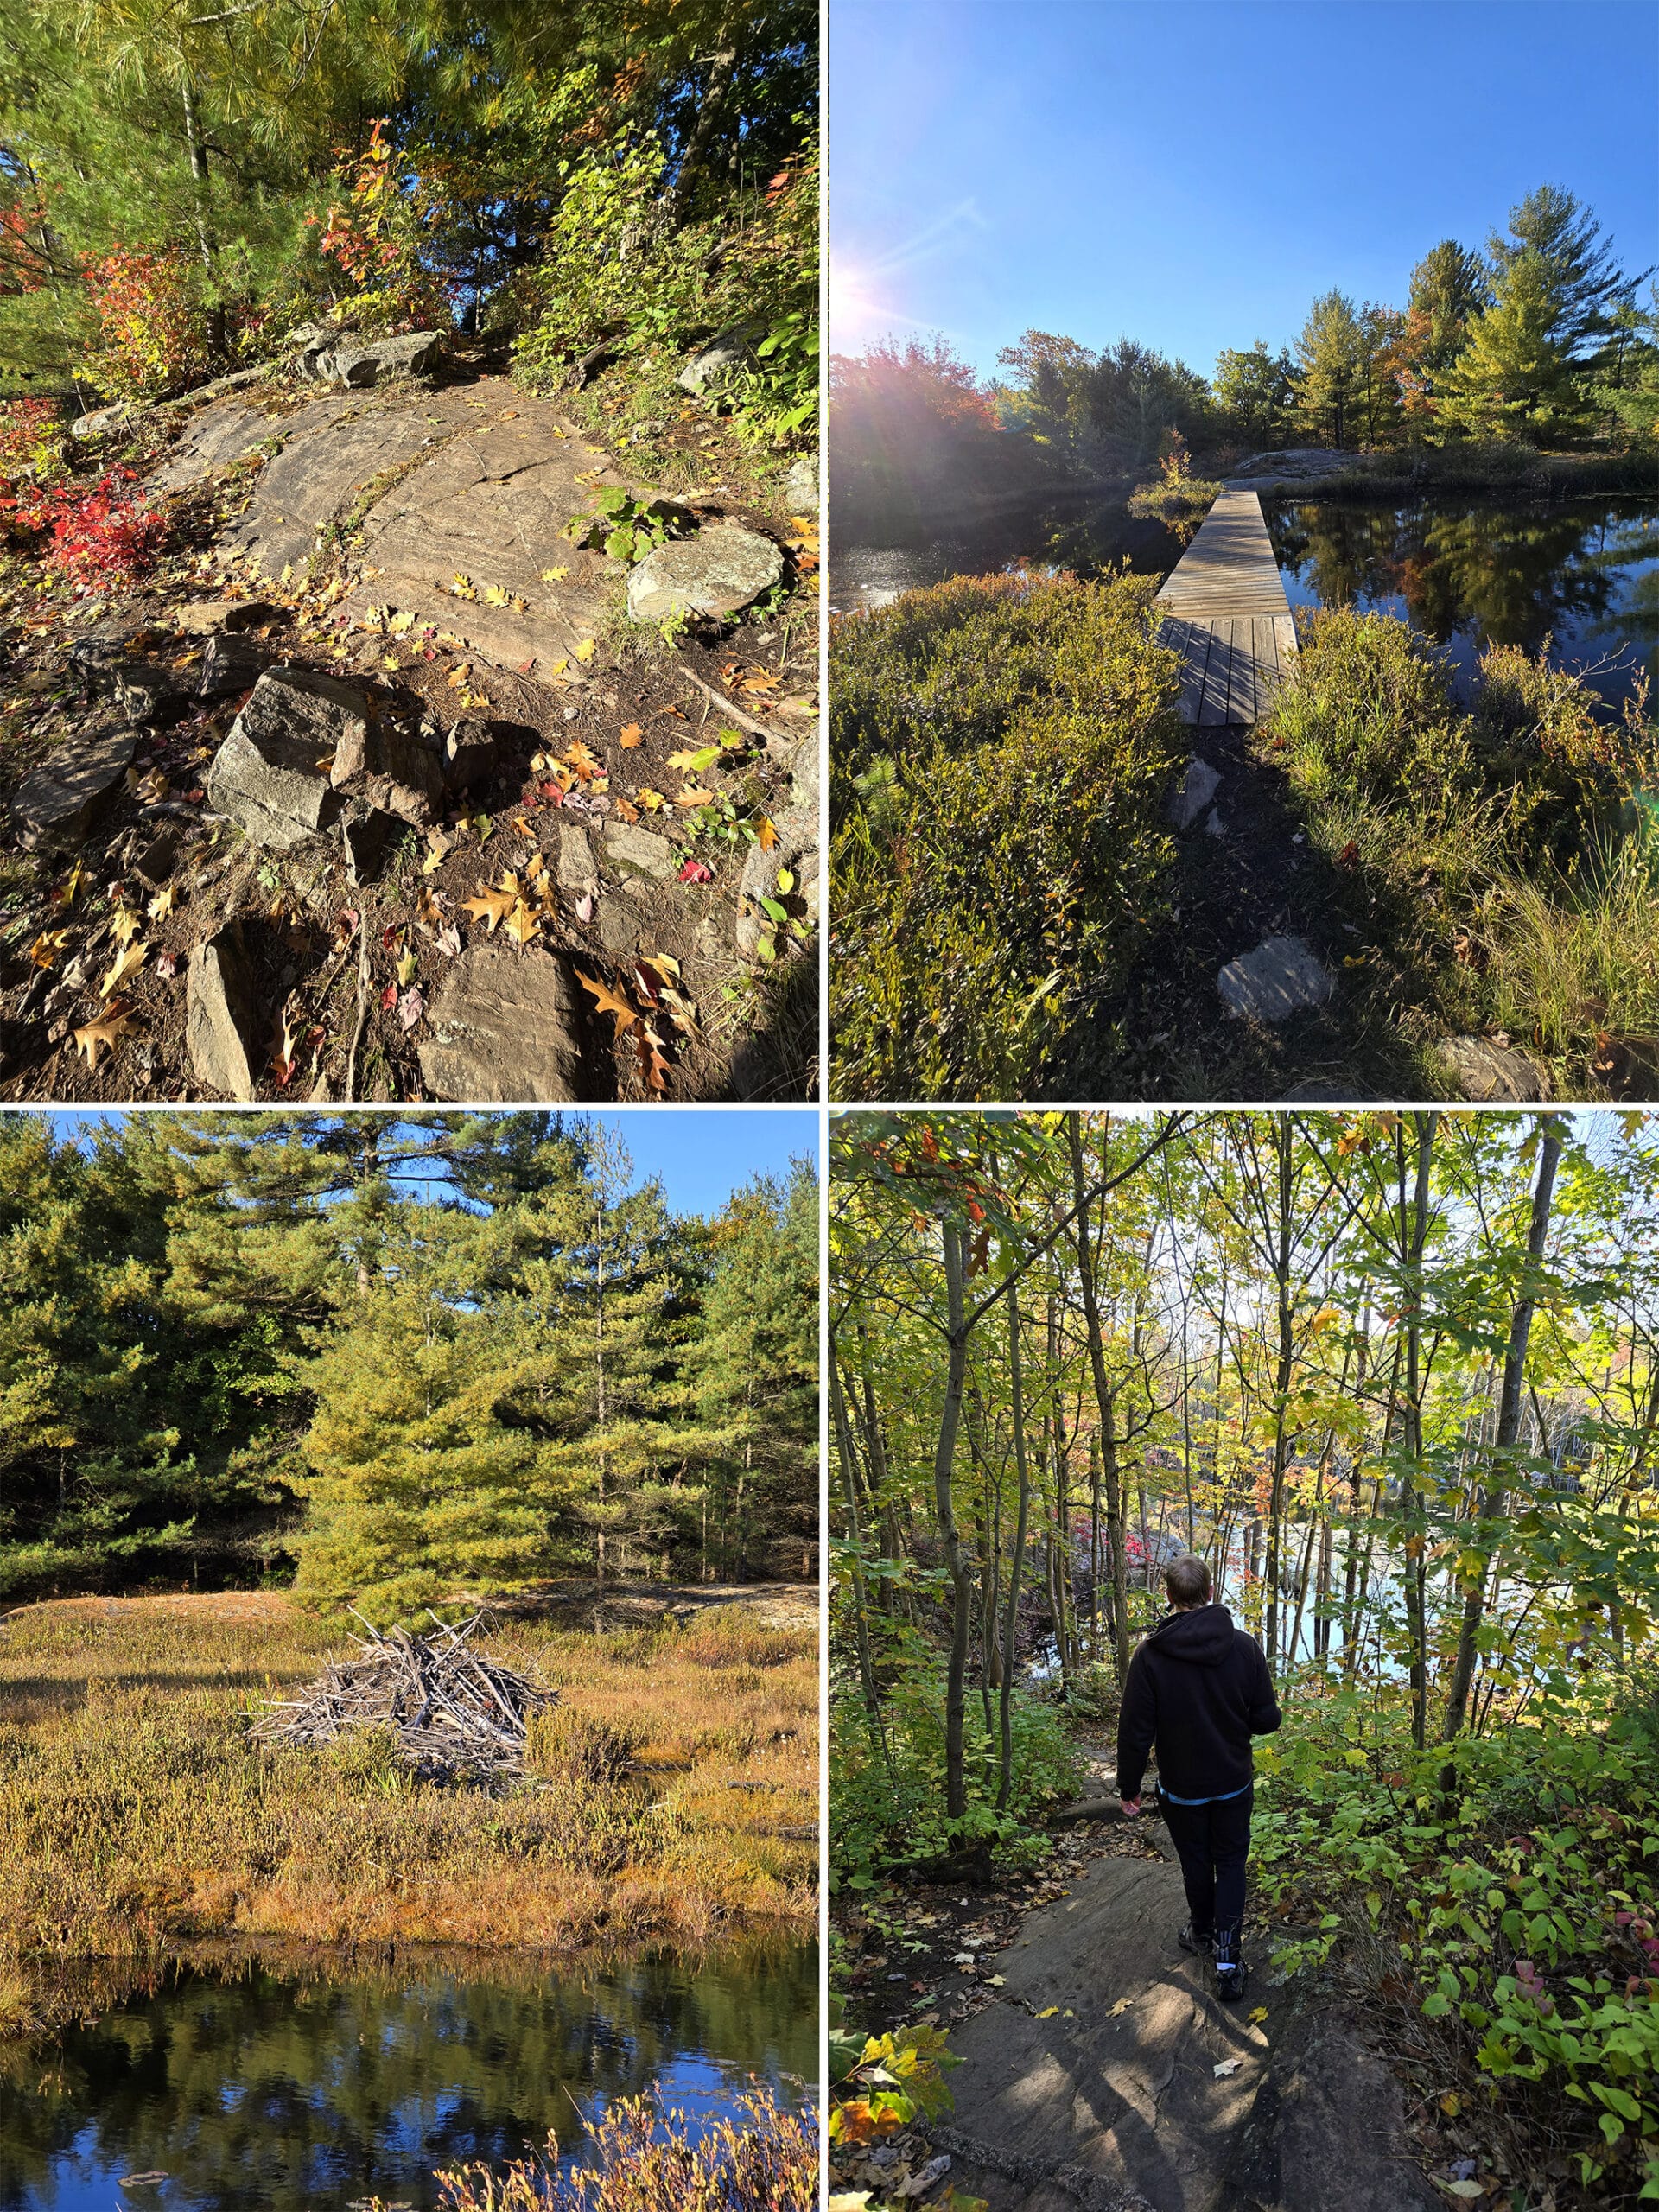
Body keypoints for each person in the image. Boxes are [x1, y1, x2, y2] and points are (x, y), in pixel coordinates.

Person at [1115, 1551, 1281, 2001]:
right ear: (1210, 1593)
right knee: (1230, 1862)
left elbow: (1135, 1733)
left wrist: (1129, 1789)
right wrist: (1233, 1716)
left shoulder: (1149, 1656)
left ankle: (1202, 1933)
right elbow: (1268, 1720)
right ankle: (1228, 1960)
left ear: (1169, 1597)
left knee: (1195, 1861)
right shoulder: (1244, 1646)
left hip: (1182, 1790)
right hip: (1232, 1783)